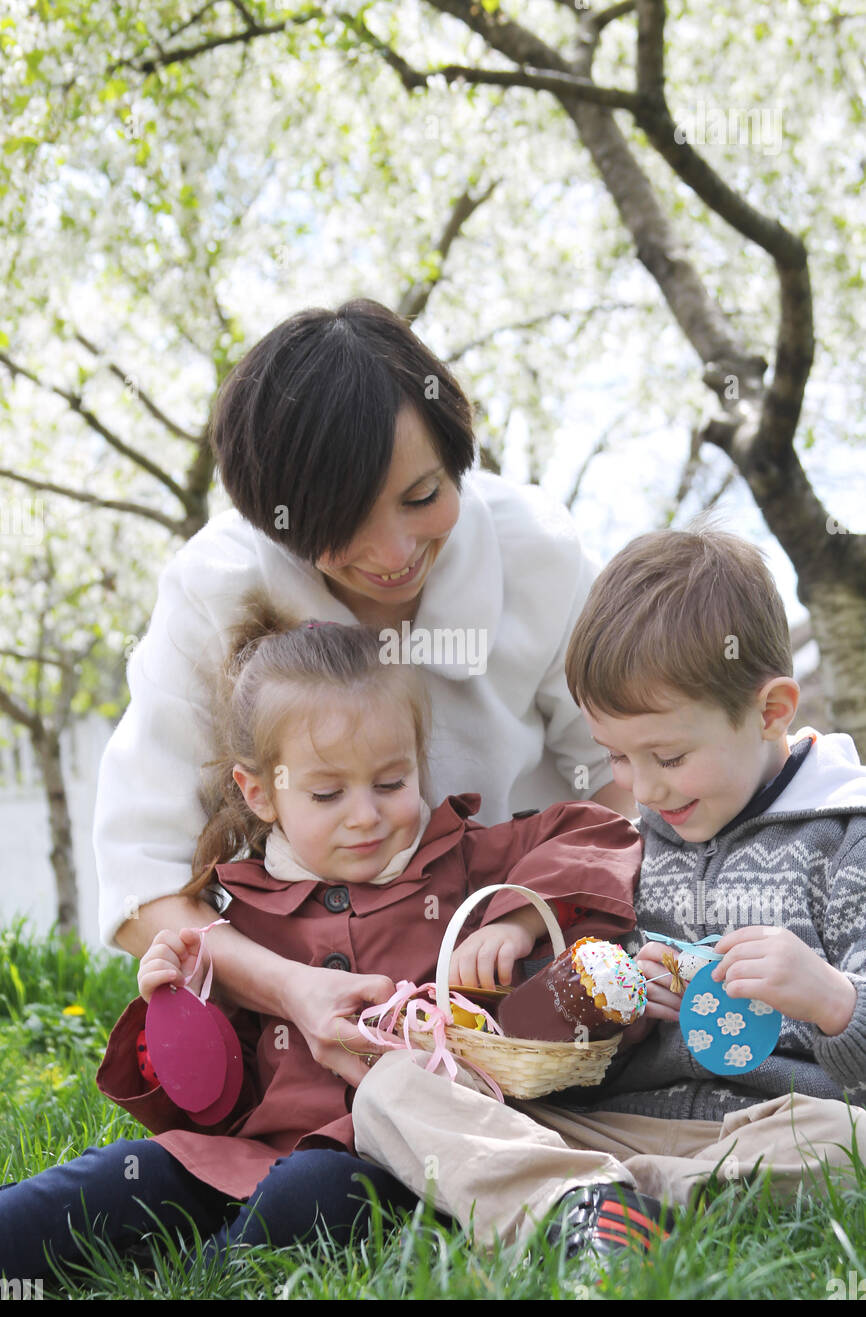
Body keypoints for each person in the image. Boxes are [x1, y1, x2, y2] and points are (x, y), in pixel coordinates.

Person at [0, 609, 643, 1279]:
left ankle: (190, 1275)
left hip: (386, 1166)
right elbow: (210, 1101)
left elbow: (601, 832)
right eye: (328, 793)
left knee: (310, 1201)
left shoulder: (462, 860)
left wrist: (512, 921)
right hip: (240, 1155)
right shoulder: (239, 913)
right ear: (260, 794)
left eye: (391, 783)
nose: (365, 815)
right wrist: (180, 1010)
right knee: (104, 1182)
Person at [93, 298, 633, 1017]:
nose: (394, 555)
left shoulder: (536, 555)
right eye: (344, 525)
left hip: (517, 972)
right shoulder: (214, 590)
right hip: (309, 983)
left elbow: (626, 782)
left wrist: (530, 920)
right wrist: (293, 991)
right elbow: (141, 876)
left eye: (421, 496)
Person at [352, 526, 866, 1269]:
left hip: (770, 1130)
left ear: (772, 710)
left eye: (669, 757)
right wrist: (603, 1007)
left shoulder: (846, 840)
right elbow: (576, 1048)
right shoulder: (634, 843)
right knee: (393, 1089)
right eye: (618, 757)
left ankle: (592, 1202)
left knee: (849, 1145)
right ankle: (588, 1199)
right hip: (616, 1121)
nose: (643, 787)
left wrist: (830, 1000)